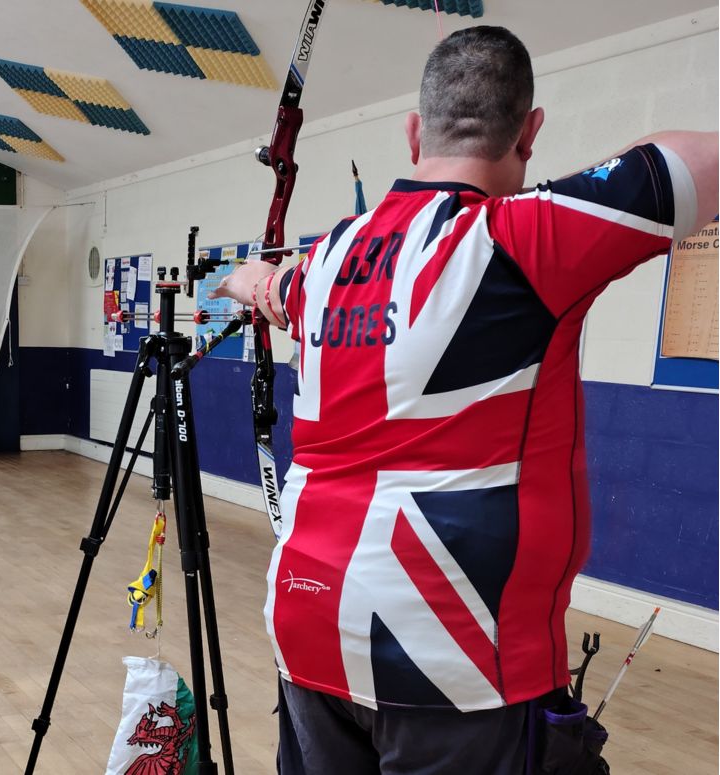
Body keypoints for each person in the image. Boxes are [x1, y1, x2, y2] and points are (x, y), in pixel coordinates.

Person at [211, 25, 718, 775]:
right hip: (454, 654)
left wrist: (243, 279)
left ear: (413, 132)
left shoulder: (323, 261)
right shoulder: (528, 236)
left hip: (310, 621)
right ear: (531, 131)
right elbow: (699, 159)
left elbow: (264, 287)